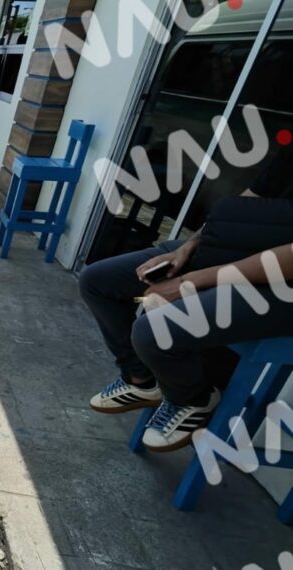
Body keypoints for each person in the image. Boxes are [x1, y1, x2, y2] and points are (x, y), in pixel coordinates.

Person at [80, 146, 293, 452]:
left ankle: (195, 398)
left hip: (283, 284)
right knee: (97, 281)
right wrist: (188, 247)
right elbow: (245, 206)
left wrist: (192, 280)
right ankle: (143, 379)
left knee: (154, 329)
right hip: (241, 254)